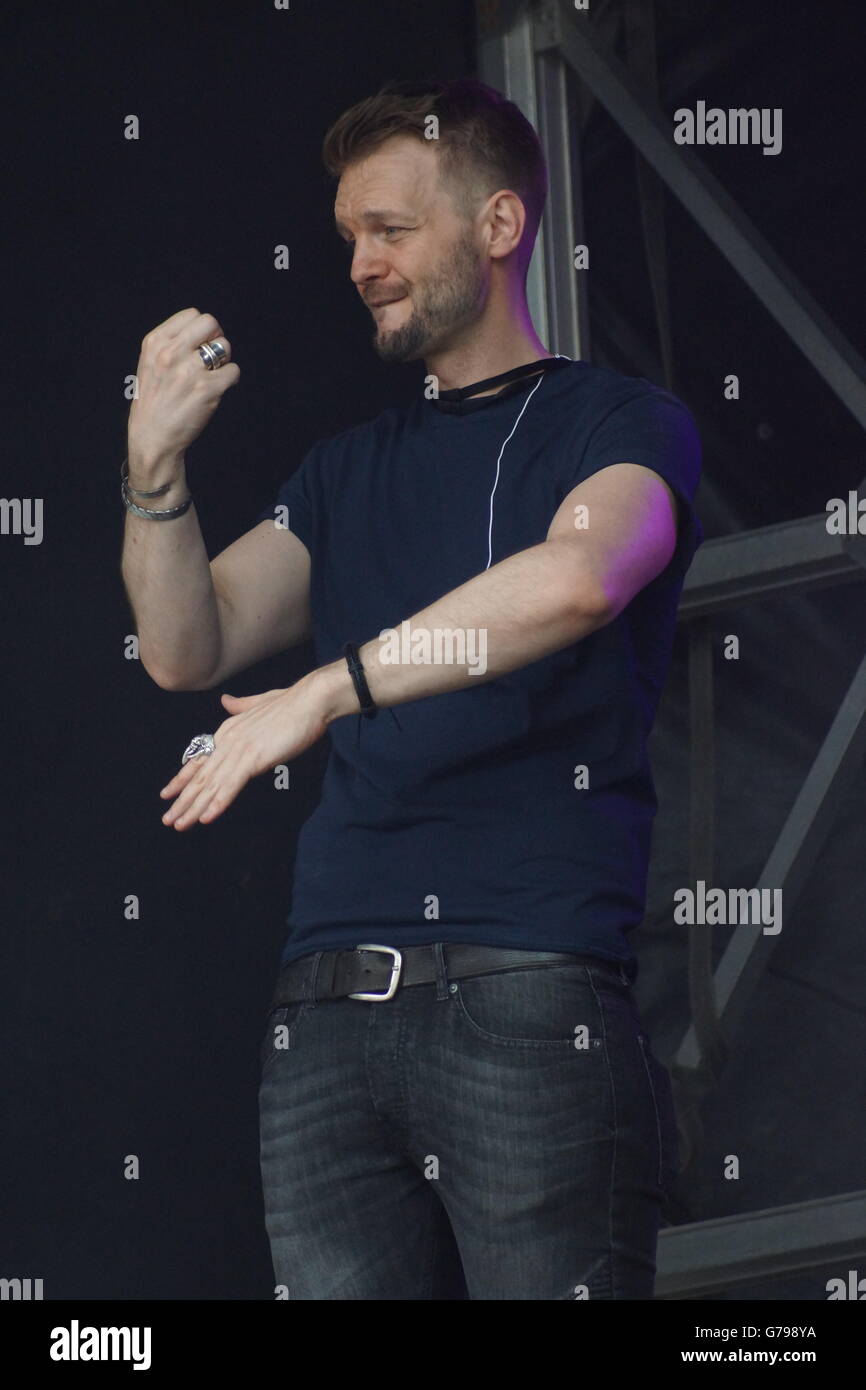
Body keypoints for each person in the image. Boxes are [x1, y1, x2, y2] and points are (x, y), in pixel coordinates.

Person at [121, 77, 703, 1300]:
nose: (359, 265)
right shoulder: (347, 470)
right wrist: (153, 471)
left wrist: (326, 692)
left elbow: (580, 576)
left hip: (524, 997)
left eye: (388, 230)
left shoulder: (620, 422)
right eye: (346, 239)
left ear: (497, 227)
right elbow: (190, 644)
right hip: (326, 1017)